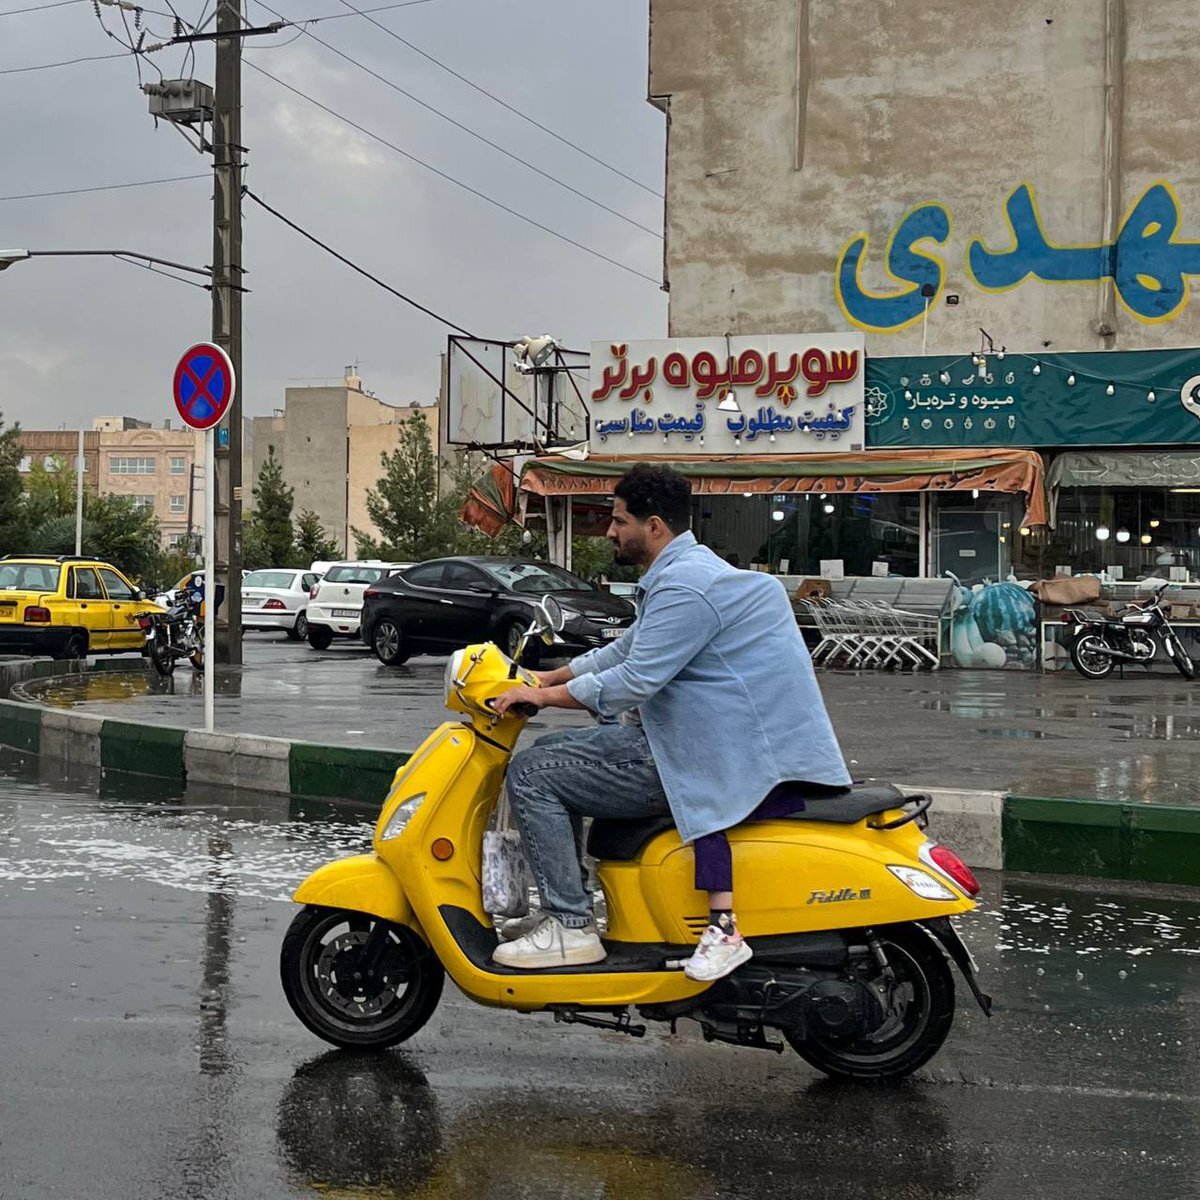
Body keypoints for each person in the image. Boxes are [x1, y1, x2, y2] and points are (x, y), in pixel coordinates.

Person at [491, 464, 850, 980]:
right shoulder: (683, 576)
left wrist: (545, 698)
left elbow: (635, 678)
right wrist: (543, 677)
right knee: (546, 762)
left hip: (703, 753)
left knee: (532, 773)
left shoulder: (686, 586)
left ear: (654, 526)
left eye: (618, 521)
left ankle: (571, 925)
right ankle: (575, 912)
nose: (610, 531)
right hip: (695, 741)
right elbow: (627, 648)